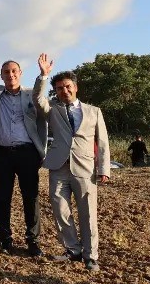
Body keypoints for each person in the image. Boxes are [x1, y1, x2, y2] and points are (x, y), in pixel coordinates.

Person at [34, 56, 111, 272]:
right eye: (59, 88)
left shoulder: (94, 112)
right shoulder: (52, 109)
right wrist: (43, 75)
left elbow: (102, 142)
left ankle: (91, 256)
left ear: (75, 87)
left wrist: (104, 169)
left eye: (67, 87)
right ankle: (73, 249)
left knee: (88, 213)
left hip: (86, 169)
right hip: (59, 166)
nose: (64, 91)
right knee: (60, 210)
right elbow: (37, 99)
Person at [0, 51, 47, 256]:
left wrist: (43, 76)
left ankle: (33, 241)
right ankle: (5, 240)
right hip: (3, 154)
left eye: (14, 71)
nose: (10, 75)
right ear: (1, 76)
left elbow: (40, 95)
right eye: (6, 72)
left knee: (30, 198)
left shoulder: (30, 94)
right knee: (3, 198)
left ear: (20, 73)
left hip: (27, 152)